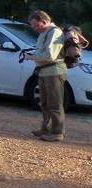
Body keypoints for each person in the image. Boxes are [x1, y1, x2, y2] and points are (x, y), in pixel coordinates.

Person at [24, 10, 67, 142]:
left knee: (55, 103)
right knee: (44, 103)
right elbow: (42, 51)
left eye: (37, 25)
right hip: (44, 71)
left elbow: (50, 56)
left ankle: (57, 132)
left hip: (54, 72)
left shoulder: (54, 32)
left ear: (45, 21)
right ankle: (46, 128)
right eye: (33, 26)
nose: (35, 28)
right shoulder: (44, 33)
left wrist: (31, 57)